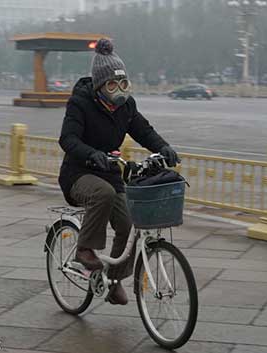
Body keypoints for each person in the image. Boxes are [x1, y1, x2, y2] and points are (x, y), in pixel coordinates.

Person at [58, 38, 179, 305]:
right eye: (112, 85)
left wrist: (164, 147)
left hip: (111, 172)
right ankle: (84, 250)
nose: (119, 90)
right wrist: (93, 154)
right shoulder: (80, 103)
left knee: (129, 223)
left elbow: (143, 131)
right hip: (78, 174)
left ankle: (114, 281)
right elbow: (68, 139)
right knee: (102, 193)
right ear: (100, 86)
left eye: (123, 84)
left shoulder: (126, 106)